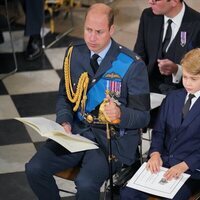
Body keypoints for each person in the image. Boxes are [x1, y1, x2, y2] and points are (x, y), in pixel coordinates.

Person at [25, 3, 150, 200]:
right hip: (76, 133)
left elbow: (143, 117)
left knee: (85, 184)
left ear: (111, 30)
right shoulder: (74, 53)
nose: (92, 37)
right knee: (34, 168)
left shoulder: (131, 64)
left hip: (110, 140)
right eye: (88, 30)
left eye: (99, 32)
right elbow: (65, 97)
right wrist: (64, 120)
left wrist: (120, 115)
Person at [120, 48, 200, 200]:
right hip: (163, 164)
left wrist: (185, 165)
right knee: (127, 193)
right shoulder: (172, 98)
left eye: (193, 79)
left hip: (191, 170)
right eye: (185, 77)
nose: (187, 83)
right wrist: (155, 154)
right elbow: (159, 132)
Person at [134, 0, 200, 94]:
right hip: (148, 86)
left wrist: (177, 70)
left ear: (174, 1)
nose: (150, 1)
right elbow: (139, 55)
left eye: (156, 0)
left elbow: (197, 69)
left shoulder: (197, 25)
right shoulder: (148, 15)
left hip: (181, 91)